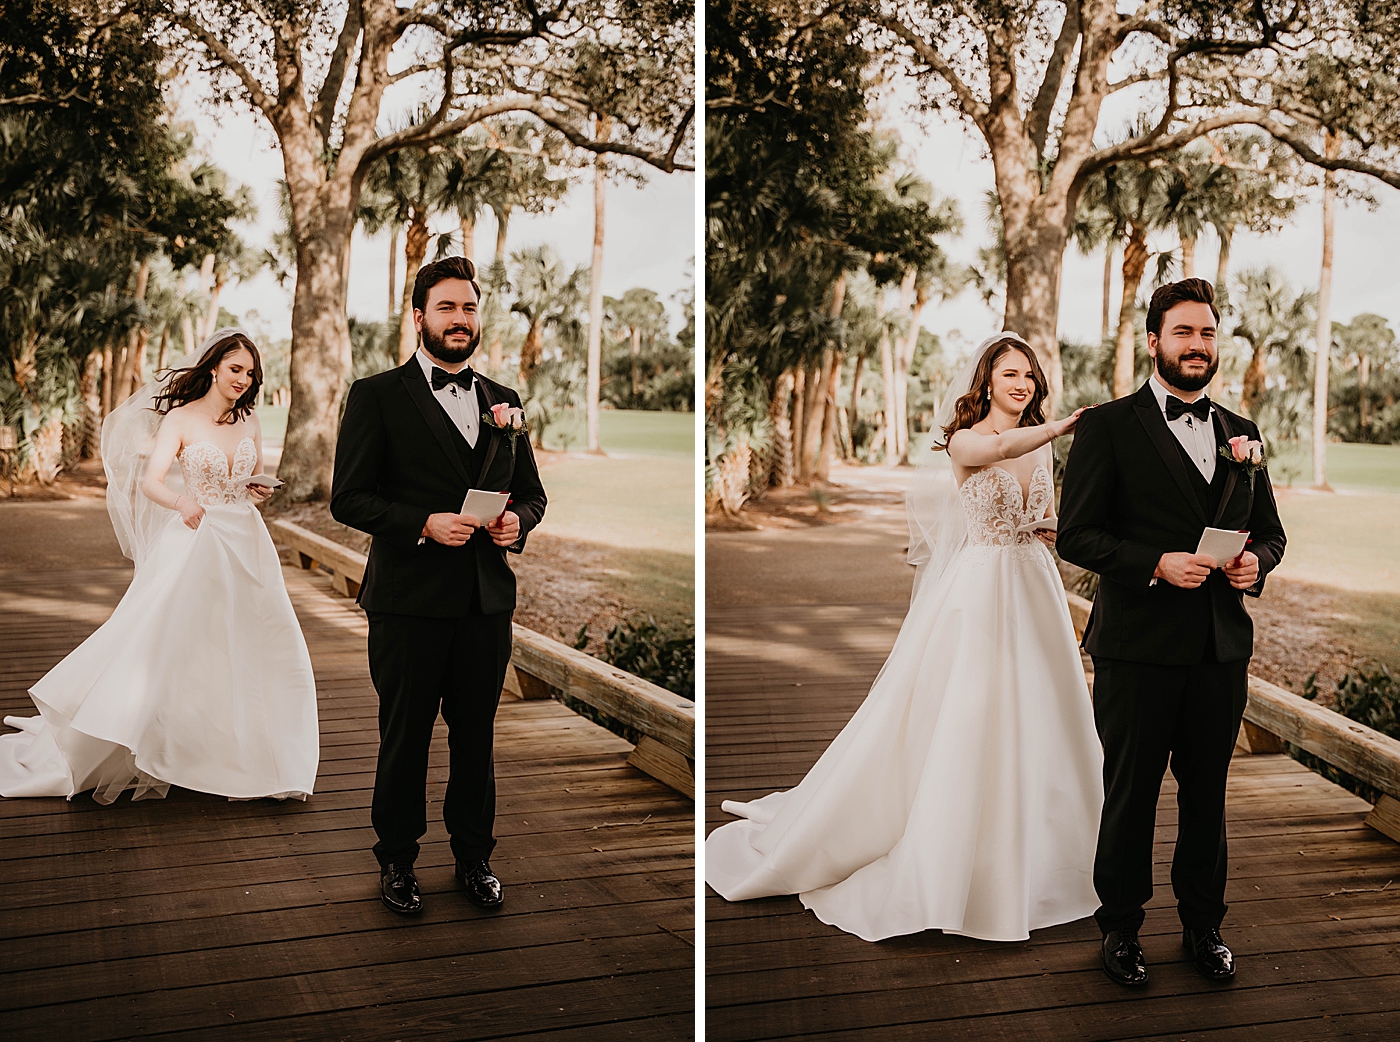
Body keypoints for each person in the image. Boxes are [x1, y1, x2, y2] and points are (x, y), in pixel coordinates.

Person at [705, 333, 1103, 942]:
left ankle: (1046, 856)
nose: (1021, 384)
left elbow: (1043, 504)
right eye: (1009, 375)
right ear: (987, 383)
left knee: (1044, 713)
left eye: (1029, 375)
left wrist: (1051, 526)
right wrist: (1063, 427)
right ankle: (951, 860)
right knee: (968, 716)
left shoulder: (1039, 447)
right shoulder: (967, 441)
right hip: (980, 594)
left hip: (1035, 591)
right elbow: (1000, 449)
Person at [1058, 277, 1287, 986]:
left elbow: (1273, 535)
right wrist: (1153, 562)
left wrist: (1257, 565)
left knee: (1207, 795)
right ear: (1154, 340)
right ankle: (1121, 930)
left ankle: (1204, 926)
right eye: (1184, 332)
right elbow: (1077, 535)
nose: (1198, 345)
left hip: (1220, 650)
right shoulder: (1108, 427)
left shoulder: (1242, 434)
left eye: (1208, 333)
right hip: (1137, 649)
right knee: (1130, 794)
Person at [0, 329, 320, 804]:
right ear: (214, 368)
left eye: (250, 373)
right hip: (196, 538)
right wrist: (181, 501)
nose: (243, 380)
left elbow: (247, 479)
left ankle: (243, 754)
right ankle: (159, 742)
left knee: (252, 640)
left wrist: (257, 491)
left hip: (247, 540)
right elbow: (150, 483)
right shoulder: (182, 420)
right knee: (177, 642)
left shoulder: (249, 420)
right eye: (236, 369)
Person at [331, 256, 547, 916]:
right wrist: (420, 522)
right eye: (447, 308)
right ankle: (397, 861)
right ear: (419, 317)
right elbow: (349, 498)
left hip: (485, 602)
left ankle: (474, 858)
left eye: (470, 308)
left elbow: (534, 495)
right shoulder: (376, 395)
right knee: (406, 735)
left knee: (477, 737)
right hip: (407, 603)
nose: (461, 320)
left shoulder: (502, 401)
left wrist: (517, 524)